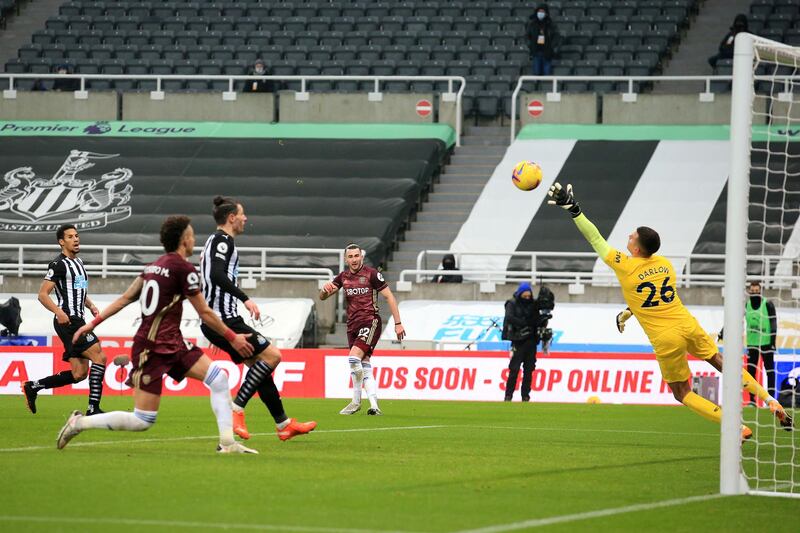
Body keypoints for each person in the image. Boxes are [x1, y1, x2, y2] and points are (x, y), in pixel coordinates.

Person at [548, 182, 793, 439]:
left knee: (682, 392)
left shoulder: (625, 265)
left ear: (637, 248)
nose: (628, 237)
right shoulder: (665, 265)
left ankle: (734, 427)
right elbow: (653, 296)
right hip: (686, 323)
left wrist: (574, 209)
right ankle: (769, 400)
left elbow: (595, 238)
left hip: (666, 338)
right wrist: (629, 311)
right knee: (722, 363)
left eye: (631, 236)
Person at [57, 215, 258, 454]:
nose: (195, 240)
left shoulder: (152, 267)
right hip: (151, 349)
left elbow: (125, 298)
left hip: (174, 342)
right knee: (143, 420)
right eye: (192, 235)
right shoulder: (184, 269)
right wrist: (232, 336)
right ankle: (79, 423)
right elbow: (204, 311)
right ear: (185, 240)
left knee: (218, 379)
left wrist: (93, 324)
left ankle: (227, 443)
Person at [200, 196, 316, 441]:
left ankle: (284, 424)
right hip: (226, 319)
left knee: (260, 370)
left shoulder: (215, 241)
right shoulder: (223, 241)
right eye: (242, 214)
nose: (245, 218)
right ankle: (237, 408)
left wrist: (213, 323)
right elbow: (216, 274)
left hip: (218, 321)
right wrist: (244, 299)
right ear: (231, 218)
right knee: (273, 356)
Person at [22, 224, 108, 416]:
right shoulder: (58, 264)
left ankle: (33, 386)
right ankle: (93, 408)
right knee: (100, 357)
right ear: (62, 242)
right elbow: (43, 295)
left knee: (79, 374)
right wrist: (59, 312)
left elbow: (80, 291)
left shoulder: (79, 263)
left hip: (79, 318)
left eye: (77, 235)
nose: (76, 239)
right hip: (69, 321)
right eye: (70, 236)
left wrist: (91, 305)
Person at [320, 244, 405, 415]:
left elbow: (389, 296)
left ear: (361, 257)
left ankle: (355, 401)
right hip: (352, 325)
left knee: (353, 358)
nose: (354, 259)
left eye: (356, 256)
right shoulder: (343, 277)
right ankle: (374, 405)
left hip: (370, 321)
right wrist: (324, 290)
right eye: (350, 256)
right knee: (364, 362)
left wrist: (398, 323)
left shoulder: (372, 274)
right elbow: (323, 297)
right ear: (346, 259)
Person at [718, 281, 777, 403]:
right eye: (753, 291)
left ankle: (771, 399)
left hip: (766, 344)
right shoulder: (747, 305)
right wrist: (723, 331)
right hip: (752, 344)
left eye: (757, 291)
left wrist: (773, 341)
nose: (755, 293)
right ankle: (752, 400)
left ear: (760, 291)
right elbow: (735, 319)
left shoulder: (768, 304)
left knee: (770, 371)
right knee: (751, 372)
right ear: (749, 292)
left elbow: (773, 323)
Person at [502, 282, 540, 402]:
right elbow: (509, 317)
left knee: (529, 370)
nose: (527, 298)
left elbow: (537, 319)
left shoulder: (533, 305)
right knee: (514, 369)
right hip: (518, 340)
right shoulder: (512, 304)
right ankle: (508, 395)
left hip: (531, 341)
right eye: (525, 296)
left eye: (529, 296)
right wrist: (524, 323)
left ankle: (525, 396)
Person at [526, 4, 559, 76]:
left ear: (546, 13)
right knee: (536, 73)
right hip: (536, 52)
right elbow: (527, 36)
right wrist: (530, 46)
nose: (540, 13)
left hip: (547, 52)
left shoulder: (551, 24)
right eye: (539, 11)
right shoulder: (532, 24)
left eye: (542, 11)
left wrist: (551, 47)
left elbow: (556, 36)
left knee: (547, 74)